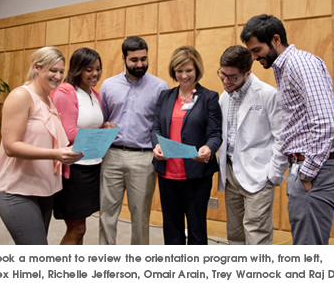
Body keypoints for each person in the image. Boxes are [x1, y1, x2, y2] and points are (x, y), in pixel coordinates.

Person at [240, 14, 334, 245]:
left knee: (307, 250)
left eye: (257, 50)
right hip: (307, 166)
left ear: (276, 39)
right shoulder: (285, 66)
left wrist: (307, 173)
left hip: (316, 168)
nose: (254, 57)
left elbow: (326, 122)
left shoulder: (301, 64)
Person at [0, 46, 83, 245]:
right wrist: (55, 154)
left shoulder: (49, 102)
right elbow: (11, 146)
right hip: (16, 191)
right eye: (53, 70)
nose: (58, 76)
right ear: (37, 68)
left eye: (61, 71)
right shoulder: (21, 96)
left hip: (44, 190)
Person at [98, 36, 169, 245]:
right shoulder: (108, 85)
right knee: (106, 213)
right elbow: (101, 120)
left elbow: (162, 125)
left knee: (140, 216)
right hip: (111, 155)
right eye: (134, 60)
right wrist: (103, 127)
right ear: (123, 58)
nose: (140, 64)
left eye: (144, 59)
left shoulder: (160, 87)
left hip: (143, 158)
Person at [151, 46, 222, 245]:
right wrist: (156, 145)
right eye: (179, 70)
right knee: (171, 228)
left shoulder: (209, 97)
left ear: (197, 70)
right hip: (167, 174)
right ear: (173, 71)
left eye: (189, 70)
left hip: (196, 175)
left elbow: (215, 133)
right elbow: (155, 127)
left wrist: (209, 148)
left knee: (197, 228)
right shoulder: (165, 96)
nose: (184, 75)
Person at [216, 45, 288, 245]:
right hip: (231, 174)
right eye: (222, 74)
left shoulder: (268, 94)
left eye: (232, 77)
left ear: (248, 73)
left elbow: (282, 137)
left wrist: (272, 174)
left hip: (259, 174)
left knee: (256, 234)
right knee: (235, 233)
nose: (225, 81)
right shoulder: (225, 97)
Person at [51, 47, 115, 245]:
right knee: (76, 229)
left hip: (93, 167)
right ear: (77, 69)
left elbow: (89, 125)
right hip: (75, 170)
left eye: (98, 68)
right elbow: (68, 133)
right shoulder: (66, 92)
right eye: (89, 69)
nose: (95, 73)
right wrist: (101, 135)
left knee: (81, 229)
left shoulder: (94, 94)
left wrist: (104, 127)